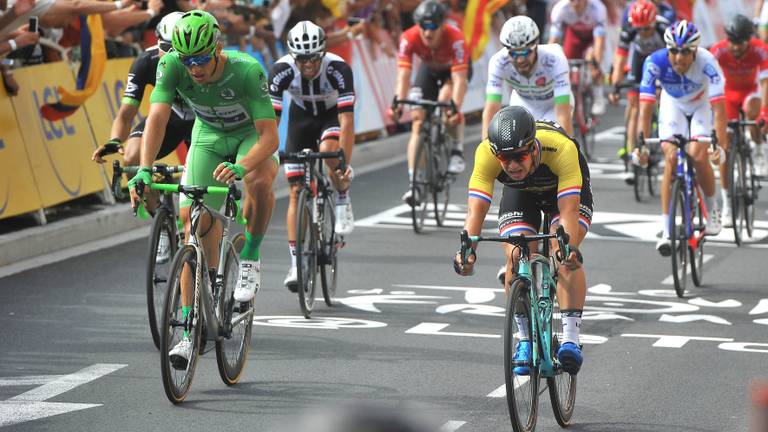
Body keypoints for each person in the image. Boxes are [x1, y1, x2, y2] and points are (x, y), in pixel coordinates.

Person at [128, 10, 279, 368]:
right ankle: (188, 325)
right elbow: (157, 118)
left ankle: (251, 256)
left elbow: (270, 137)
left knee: (258, 180)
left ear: (218, 48)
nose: (194, 68)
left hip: (249, 136)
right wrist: (144, 169)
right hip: (208, 136)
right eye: (187, 60)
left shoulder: (247, 70)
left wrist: (242, 166)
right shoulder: (171, 65)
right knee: (191, 224)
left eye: (200, 59)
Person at [454, 106, 591, 375]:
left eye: (520, 156)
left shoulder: (561, 148)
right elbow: (475, 211)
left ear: (533, 147)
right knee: (516, 254)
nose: (513, 165)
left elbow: (569, 211)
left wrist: (568, 248)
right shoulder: (485, 153)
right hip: (522, 195)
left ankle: (571, 338)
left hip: (563, 192)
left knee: (562, 251)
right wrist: (467, 252)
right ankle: (525, 338)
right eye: (505, 159)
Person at [269, 20, 355, 292]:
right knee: (296, 191)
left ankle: (342, 197)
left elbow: (347, 122)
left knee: (329, 152)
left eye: (313, 58)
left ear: (322, 52)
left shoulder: (338, 68)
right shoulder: (281, 70)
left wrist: (344, 164)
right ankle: (296, 264)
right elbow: (271, 122)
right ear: (293, 55)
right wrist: (269, 153)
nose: (307, 64)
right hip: (301, 119)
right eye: (302, 59)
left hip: (330, 116)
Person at [638, 20, 727, 256]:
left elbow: (720, 110)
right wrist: (640, 145)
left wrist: (720, 146)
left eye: (686, 52)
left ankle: (713, 209)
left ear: (695, 51)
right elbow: (645, 109)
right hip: (673, 104)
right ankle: (666, 228)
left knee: (698, 155)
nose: (679, 58)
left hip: (701, 105)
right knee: (670, 158)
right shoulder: (654, 62)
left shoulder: (708, 62)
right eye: (674, 51)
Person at [391, 0, 469, 206]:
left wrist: (455, 107)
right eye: (423, 26)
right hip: (430, 71)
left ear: (442, 25)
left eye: (433, 26)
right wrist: (398, 102)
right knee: (417, 121)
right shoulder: (408, 37)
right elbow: (403, 74)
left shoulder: (455, 38)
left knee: (446, 101)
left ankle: (457, 151)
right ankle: (415, 185)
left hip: (453, 73)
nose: (427, 32)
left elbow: (460, 80)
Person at [483, 15, 573, 138]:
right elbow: (491, 108)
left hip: (553, 105)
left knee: (554, 139)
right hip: (523, 103)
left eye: (525, 52)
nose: (520, 60)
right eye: (514, 53)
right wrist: (486, 146)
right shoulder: (498, 62)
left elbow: (562, 111)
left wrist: (568, 145)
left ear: (535, 45)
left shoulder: (554, 59)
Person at [710, 13, 768, 199]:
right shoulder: (718, 51)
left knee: (753, 112)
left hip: (751, 92)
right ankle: (727, 202)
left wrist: (765, 113)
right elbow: (705, 82)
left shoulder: (760, 49)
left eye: (740, 43)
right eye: (732, 42)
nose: (735, 47)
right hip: (728, 95)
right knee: (725, 144)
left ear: (749, 40)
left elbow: (766, 83)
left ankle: (758, 147)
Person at [608, 0, 669, 172]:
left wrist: (663, 86)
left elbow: (673, 61)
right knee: (634, 104)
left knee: (662, 98)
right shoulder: (629, 30)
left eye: (647, 29)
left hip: (661, 63)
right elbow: (620, 59)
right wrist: (616, 87)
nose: (643, 33)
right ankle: (632, 153)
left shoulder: (663, 29)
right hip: (640, 62)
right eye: (639, 29)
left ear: (654, 23)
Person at [548, 0, 607, 116]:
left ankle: (598, 96)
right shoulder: (560, 9)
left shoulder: (598, 9)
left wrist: (596, 64)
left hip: (592, 38)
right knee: (565, 65)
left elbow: (599, 42)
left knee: (594, 62)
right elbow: (553, 41)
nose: (575, 2)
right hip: (573, 36)